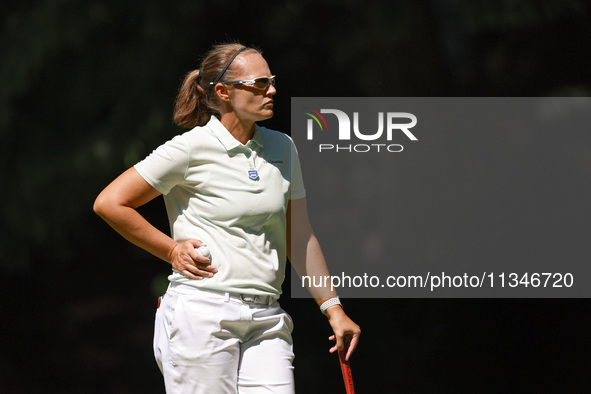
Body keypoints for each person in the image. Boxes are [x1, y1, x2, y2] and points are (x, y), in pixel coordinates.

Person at [93, 42, 360, 393]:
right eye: (260, 83)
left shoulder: (283, 148)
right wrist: (171, 250)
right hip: (201, 315)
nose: (272, 90)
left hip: (267, 319)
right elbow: (110, 203)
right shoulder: (190, 148)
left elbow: (300, 235)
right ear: (223, 92)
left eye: (272, 81)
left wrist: (333, 308)